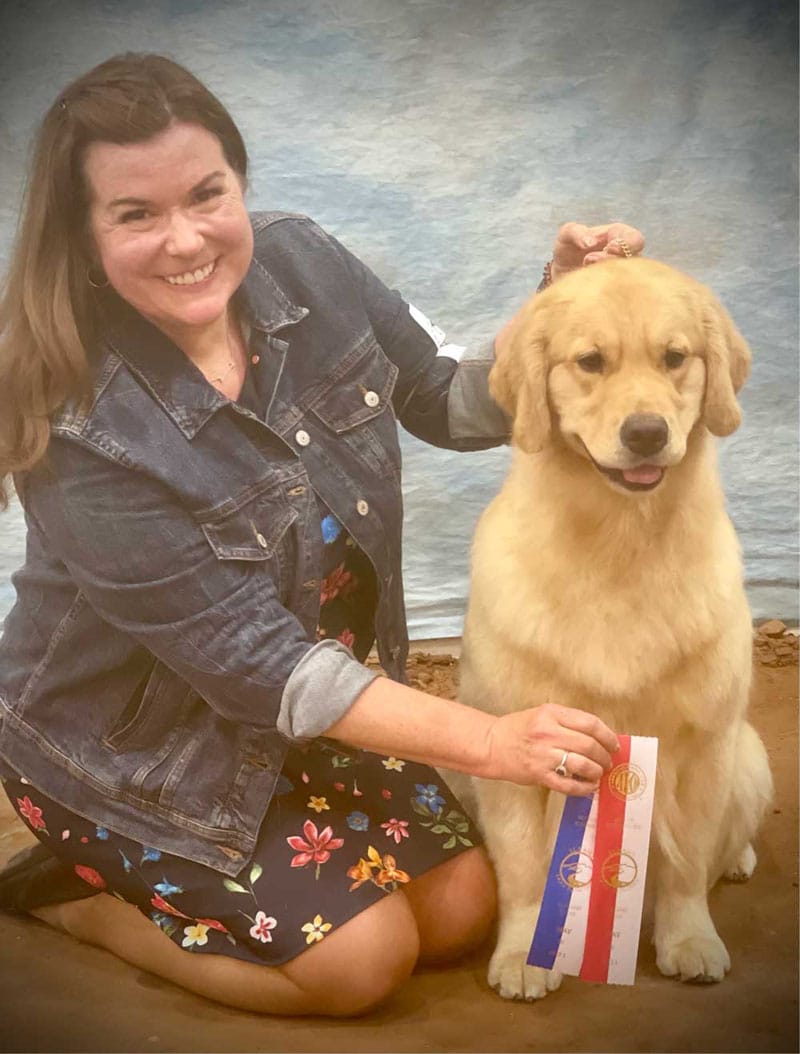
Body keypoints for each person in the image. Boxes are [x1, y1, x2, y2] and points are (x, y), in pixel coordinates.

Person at [0, 53, 644, 1017]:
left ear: (240, 186)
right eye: (135, 214)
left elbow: (451, 398)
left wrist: (562, 304)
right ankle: (70, 901)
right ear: (82, 235)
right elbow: (258, 664)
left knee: (466, 910)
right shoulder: (74, 419)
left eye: (207, 194)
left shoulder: (303, 259)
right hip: (136, 749)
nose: (185, 240)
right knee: (362, 965)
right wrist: (495, 743)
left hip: (313, 714)